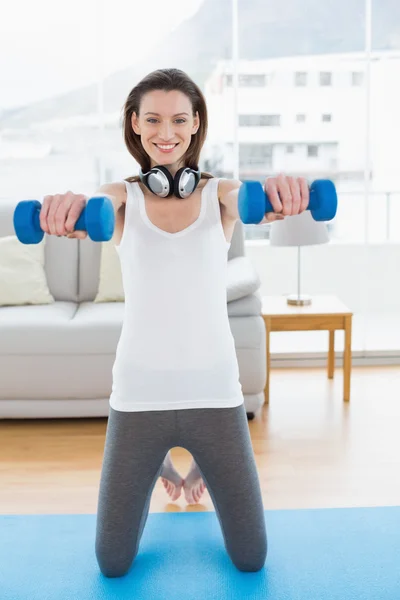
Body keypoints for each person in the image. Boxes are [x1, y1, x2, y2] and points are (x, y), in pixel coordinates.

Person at [39, 68, 309, 576]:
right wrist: (66, 208)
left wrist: (282, 192)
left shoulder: (220, 195)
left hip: (216, 395)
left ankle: (197, 459)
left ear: (196, 124)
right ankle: (163, 461)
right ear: (135, 125)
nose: (167, 132)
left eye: (180, 119)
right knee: (112, 563)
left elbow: (248, 200)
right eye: (154, 119)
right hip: (139, 397)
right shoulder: (119, 198)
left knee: (252, 560)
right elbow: (98, 206)